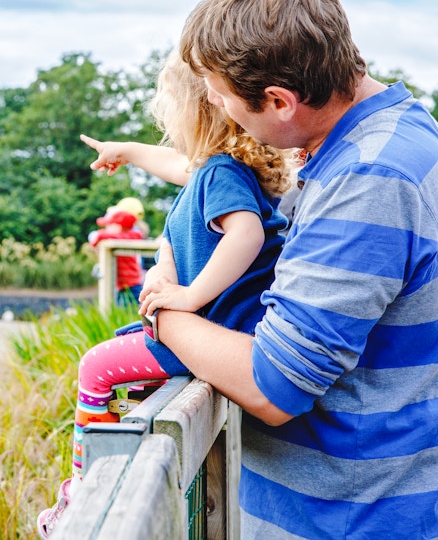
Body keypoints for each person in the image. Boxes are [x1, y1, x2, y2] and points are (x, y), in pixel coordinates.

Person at [143, 0, 438, 539]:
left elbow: (274, 384)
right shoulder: (393, 132)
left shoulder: (371, 178)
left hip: (352, 516)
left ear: (280, 100)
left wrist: (163, 312)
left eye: (223, 98)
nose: (218, 110)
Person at [36, 50, 292, 538]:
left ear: (197, 114)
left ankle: (80, 492)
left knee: (96, 366)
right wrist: (127, 150)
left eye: (170, 112)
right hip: (222, 329)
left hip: (214, 329)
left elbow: (247, 235)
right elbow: (176, 165)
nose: (167, 126)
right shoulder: (221, 169)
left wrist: (190, 296)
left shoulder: (220, 173)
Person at [88, 206, 145, 306]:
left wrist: (98, 237)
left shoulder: (128, 237)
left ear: (118, 226)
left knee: (131, 314)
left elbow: (100, 236)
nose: (105, 228)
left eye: (108, 225)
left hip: (131, 287)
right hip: (122, 287)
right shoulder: (122, 237)